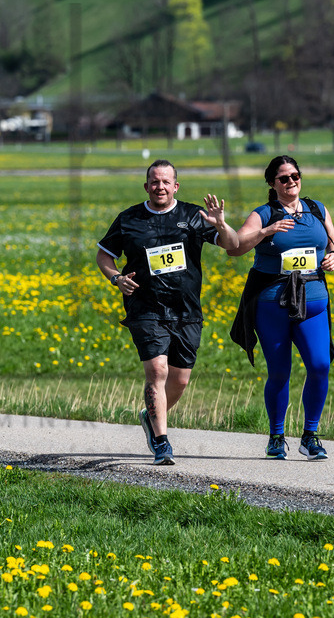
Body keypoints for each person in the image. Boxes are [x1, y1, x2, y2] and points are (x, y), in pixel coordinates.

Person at [96, 160, 239, 466]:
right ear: (146, 186)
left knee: (180, 380)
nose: (159, 187)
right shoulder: (129, 218)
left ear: (176, 186)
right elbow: (104, 255)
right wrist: (116, 278)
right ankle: (162, 443)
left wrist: (220, 224)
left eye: (165, 182)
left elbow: (232, 244)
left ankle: (149, 416)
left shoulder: (193, 215)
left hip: (186, 309)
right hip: (145, 307)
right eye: (154, 181)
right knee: (157, 371)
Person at [228, 156, 334, 461]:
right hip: (272, 303)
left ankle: (310, 436)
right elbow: (235, 247)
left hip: (313, 300)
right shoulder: (262, 214)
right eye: (284, 178)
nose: (291, 182)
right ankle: (276, 437)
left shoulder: (317, 209)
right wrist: (266, 231)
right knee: (279, 371)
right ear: (272, 183)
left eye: (295, 175)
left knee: (320, 365)